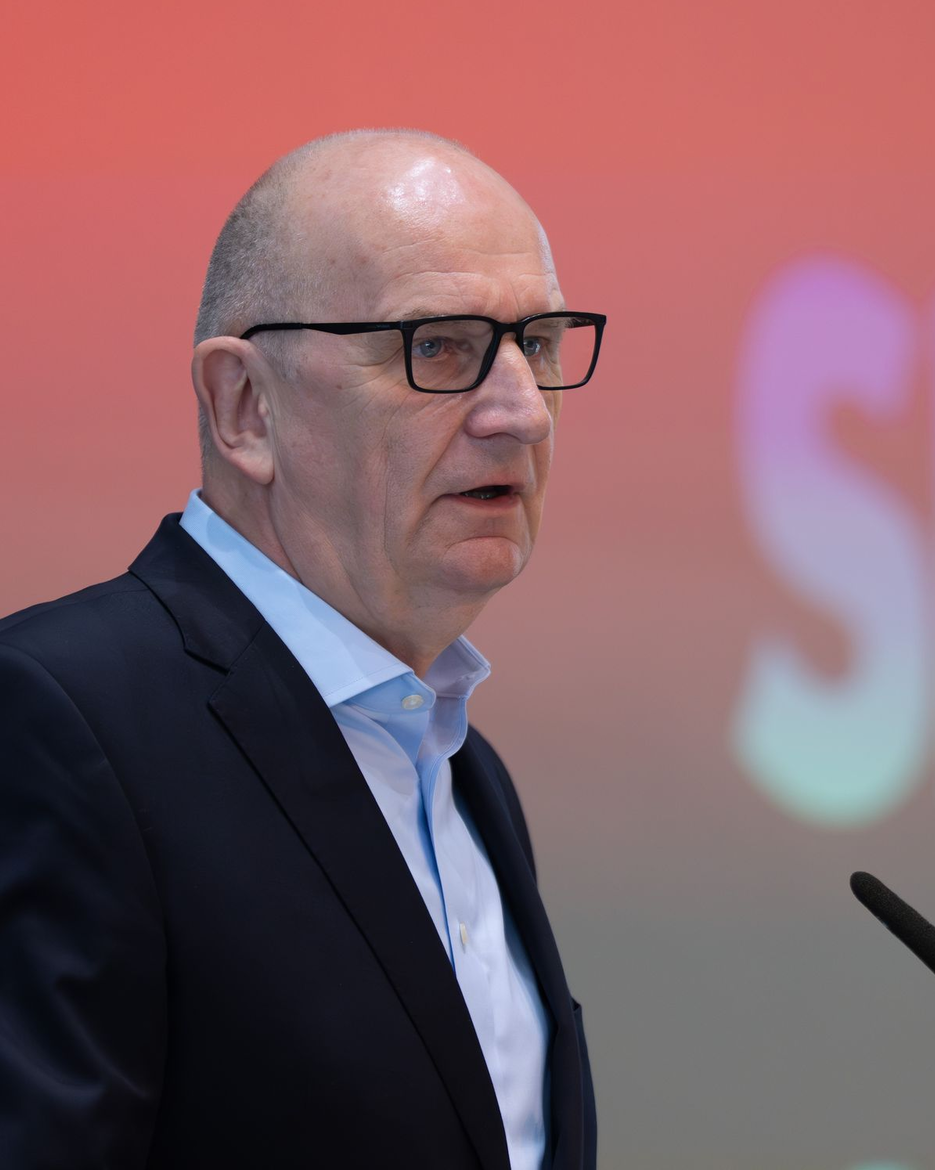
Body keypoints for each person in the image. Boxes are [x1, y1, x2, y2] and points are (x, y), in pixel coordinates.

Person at [0, 130, 601, 1170]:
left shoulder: (466, 771)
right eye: (442, 345)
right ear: (245, 406)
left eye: (539, 344)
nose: (520, 415)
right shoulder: (58, 718)